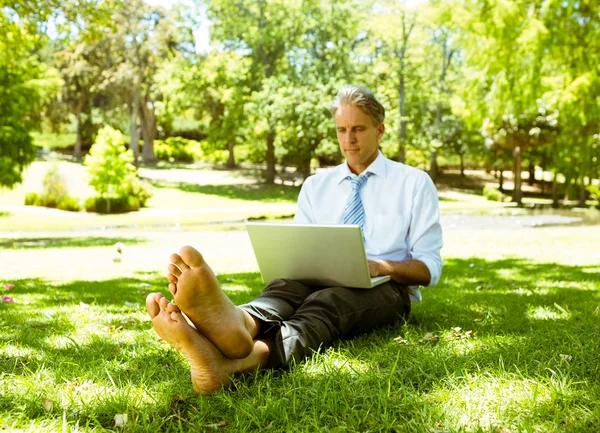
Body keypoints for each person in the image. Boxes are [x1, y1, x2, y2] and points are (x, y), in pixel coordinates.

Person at [145, 84, 443, 394]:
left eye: (358, 129)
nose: (349, 139)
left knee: (326, 303)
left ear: (380, 130)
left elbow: (429, 268)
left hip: (388, 291)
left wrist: (383, 267)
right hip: (320, 277)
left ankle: (239, 362)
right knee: (284, 288)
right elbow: (302, 249)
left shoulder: (414, 183)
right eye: (341, 129)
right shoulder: (317, 186)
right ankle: (239, 322)